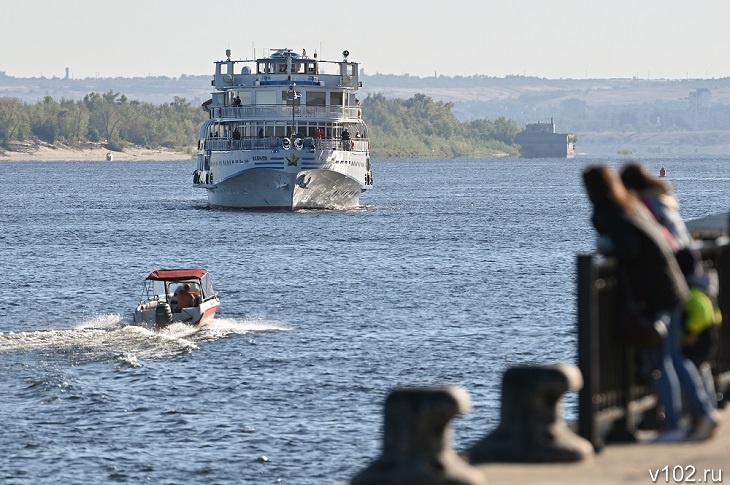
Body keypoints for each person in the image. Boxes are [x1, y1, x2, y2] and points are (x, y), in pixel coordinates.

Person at [582, 165, 719, 442]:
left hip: (658, 292)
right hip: (672, 286)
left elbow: (628, 249)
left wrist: (606, 247)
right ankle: (702, 414)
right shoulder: (632, 207)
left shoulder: (610, 213)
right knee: (674, 356)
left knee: (663, 360)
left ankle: (679, 422)